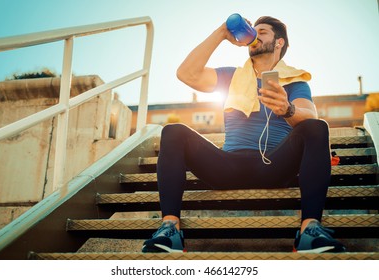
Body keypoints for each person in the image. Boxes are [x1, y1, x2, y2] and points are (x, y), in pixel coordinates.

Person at [142, 16, 346, 253]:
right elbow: (187, 74)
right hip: (227, 166)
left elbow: (310, 117)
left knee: (316, 126)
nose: (255, 35)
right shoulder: (232, 76)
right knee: (173, 131)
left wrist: (287, 109)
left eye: (263, 32)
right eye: (252, 31)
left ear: (279, 42)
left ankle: (310, 230)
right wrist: (221, 32)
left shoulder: (294, 82)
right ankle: (170, 229)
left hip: (274, 166)